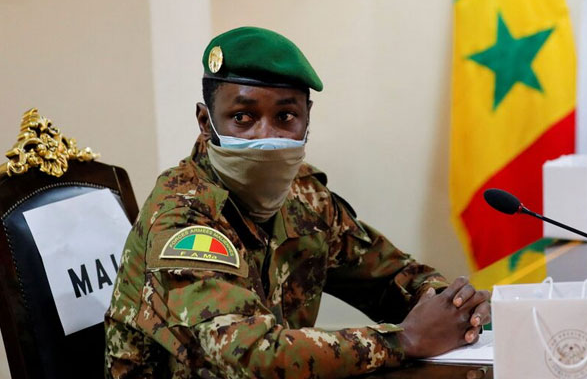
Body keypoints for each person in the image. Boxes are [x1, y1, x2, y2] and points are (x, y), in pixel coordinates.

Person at [105, 26, 491, 379]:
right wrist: (403, 341)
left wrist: (453, 307)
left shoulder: (304, 194)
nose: (266, 135)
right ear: (206, 123)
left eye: (286, 116)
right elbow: (251, 354)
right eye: (242, 117)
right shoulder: (182, 216)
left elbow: (390, 277)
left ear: (307, 119)